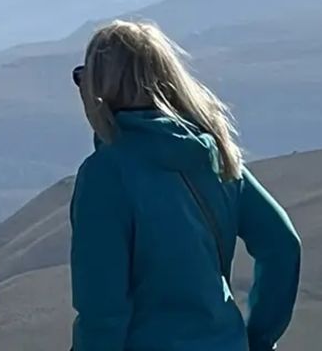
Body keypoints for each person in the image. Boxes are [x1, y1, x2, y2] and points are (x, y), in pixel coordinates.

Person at [69, 19, 301, 351]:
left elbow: (102, 310)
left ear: (101, 89)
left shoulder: (105, 175)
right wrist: (258, 338)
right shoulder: (215, 155)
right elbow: (281, 244)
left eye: (83, 78)